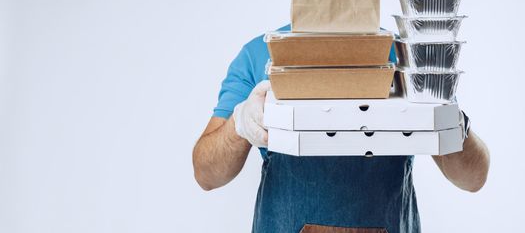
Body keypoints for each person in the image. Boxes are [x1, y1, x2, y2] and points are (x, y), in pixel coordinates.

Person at [192, 24, 490, 233]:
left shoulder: (404, 58)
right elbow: (206, 174)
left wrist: (450, 121)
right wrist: (240, 124)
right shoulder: (263, 55)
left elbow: (473, 178)